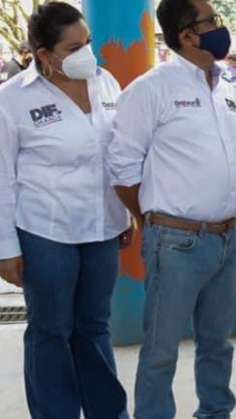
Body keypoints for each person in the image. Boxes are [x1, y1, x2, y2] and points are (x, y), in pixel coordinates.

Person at [106, 0, 236, 417]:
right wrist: (153, 220)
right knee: (162, 352)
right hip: (176, 242)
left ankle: (215, 413)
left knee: (218, 345)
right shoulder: (152, 88)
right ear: (187, 34)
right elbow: (122, 167)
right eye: (212, 21)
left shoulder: (225, 88)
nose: (220, 28)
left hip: (227, 237)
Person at [0, 3, 131, 418]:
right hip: (45, 231)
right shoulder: (11, 100)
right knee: (51, 330)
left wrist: (125, 213)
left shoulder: (106, 82)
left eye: (88, 43)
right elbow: (2, 177)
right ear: (44, 55)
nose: (86, 54)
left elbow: (120, 155)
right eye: (74, 47)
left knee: (94, 326)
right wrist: (5, 247)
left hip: (103, 227)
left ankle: (105, 411)